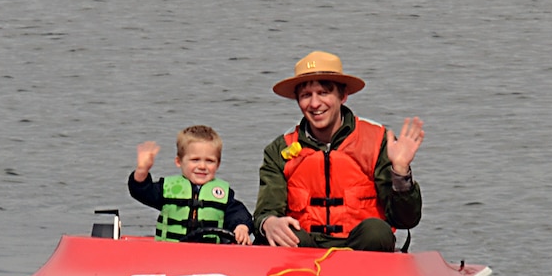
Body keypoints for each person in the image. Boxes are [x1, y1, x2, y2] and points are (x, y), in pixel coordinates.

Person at [253, 51, 424, 251]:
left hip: (362, 246)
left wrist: (401, 172)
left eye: (324, 93)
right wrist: (268, 223)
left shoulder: (379, 142)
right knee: (282, 235)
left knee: (377, 231)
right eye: (306, 95)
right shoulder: (279, 150)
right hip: (305, 247)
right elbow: (266, 211)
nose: (315, 104)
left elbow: (406, 220)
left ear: (343, 96)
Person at [129, 124, 254, 244]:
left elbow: (239, 213)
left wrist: (242, 227)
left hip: (209, 256)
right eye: (195, 160)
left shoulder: (223, 195)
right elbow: (141, 191)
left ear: (218, 164)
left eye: (210, 161)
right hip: (170, 253)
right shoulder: (167, 189)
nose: (202, 166)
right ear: (179, 161)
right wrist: (142, 170)